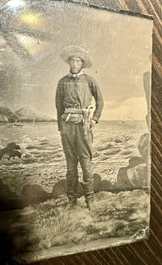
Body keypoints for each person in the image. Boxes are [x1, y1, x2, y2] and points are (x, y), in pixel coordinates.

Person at [55, 46, 104, 209]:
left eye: (77, 61)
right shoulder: (62, 82)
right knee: (70, 166)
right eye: (72, 60)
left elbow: (100, 102)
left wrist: (94, 120)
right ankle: (72, 200)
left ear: (82, 63)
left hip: (84, 126)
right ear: (68, 62)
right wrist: (61, 128)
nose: (74, 63)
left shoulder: (90, 80)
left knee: (85, 163)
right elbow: (58, 107)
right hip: (67, 127)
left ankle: (89, 199)